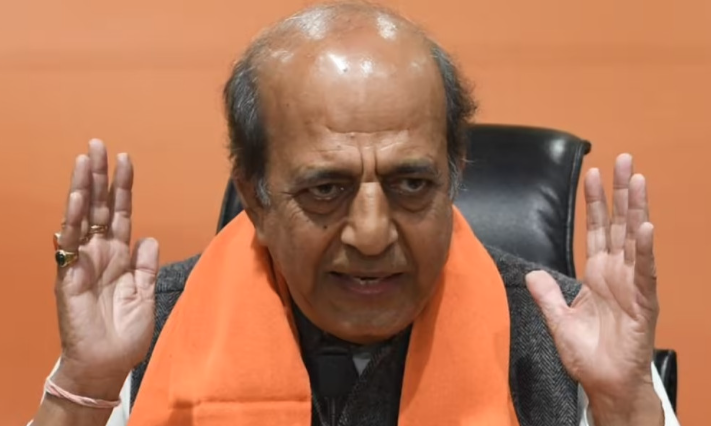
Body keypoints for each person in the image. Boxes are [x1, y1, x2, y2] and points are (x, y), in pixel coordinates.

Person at [29, 2, 679, 426]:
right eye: (326, 189)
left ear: (454, 176)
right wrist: (84, 387)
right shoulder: (148, 335)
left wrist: (624, 404)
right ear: (255, 197)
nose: (371, 234)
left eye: (411, 183)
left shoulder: (567, 342)